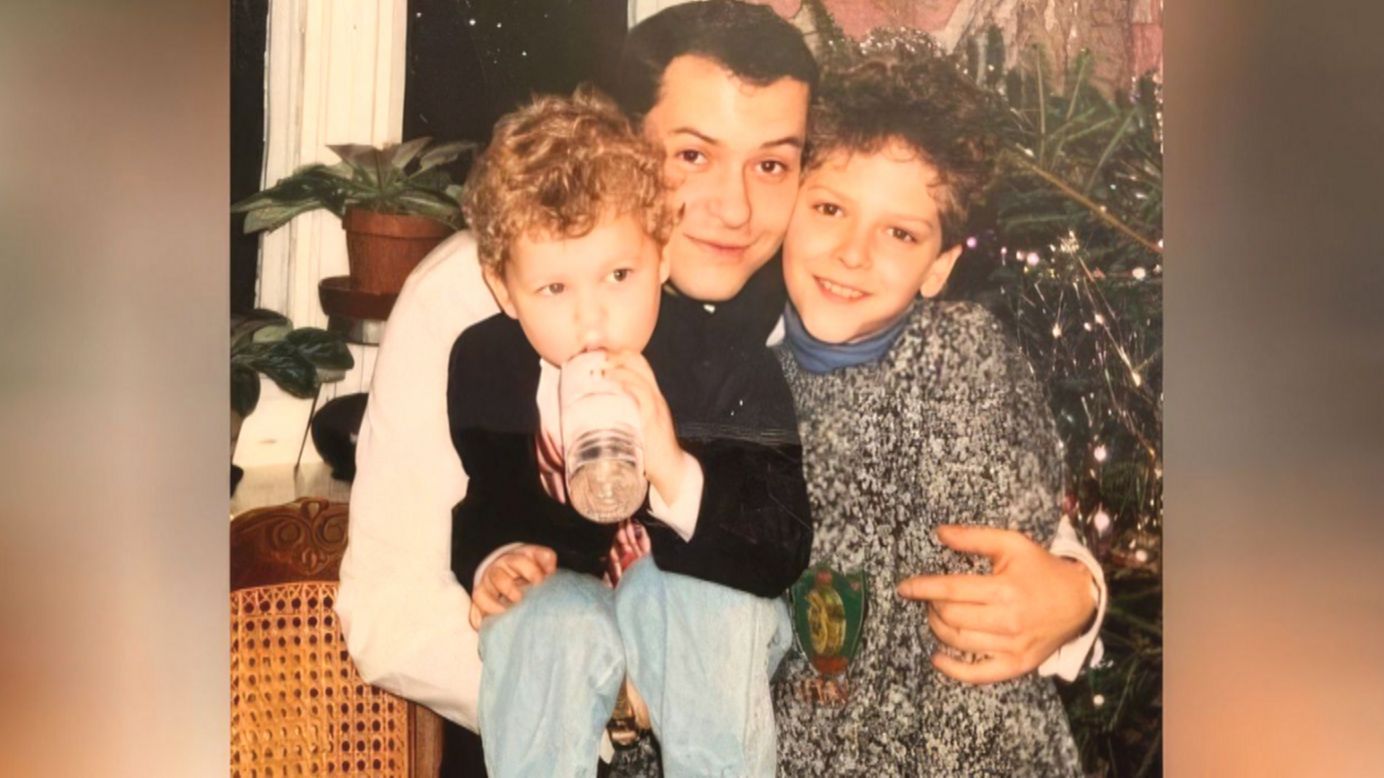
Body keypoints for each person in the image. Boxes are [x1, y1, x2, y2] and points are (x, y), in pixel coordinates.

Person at [335, 1, 1102, 773]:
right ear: (626, 146)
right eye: (694, 155)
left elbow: (961, 472)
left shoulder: (816, 284)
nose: (734, 209)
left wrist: (1076, 594)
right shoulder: (470, 300)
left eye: (770, 165)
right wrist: (615, 696)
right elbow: (388, 615)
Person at [447, 88, 809, 778]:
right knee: (539, 619)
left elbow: (781, 543)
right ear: (503, 289)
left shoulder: (726, 364)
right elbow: (487, 496)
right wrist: (498, 559)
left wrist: (673, 466)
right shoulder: (486, 366)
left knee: (680, 596)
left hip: (713, 614)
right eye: (555, 289)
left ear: (662, 254)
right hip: (586, 615)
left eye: (619, 274)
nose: (593, 319)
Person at [768, 33, 1082, 775]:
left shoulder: (962, 360)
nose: (853, 253)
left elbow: (976, 626)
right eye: (830, 208)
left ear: (938, 267)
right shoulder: (734, 374)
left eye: (899, 232)